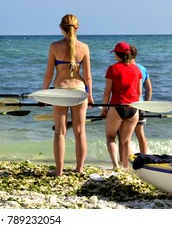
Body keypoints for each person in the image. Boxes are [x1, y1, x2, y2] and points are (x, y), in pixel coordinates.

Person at [42, 14, 93, 176]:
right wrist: (90, 95)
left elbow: (49, 74)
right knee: (80, 132)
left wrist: (43, 93)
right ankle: (79, 169)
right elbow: (89, 76)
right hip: (79, 91)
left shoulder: (54, 46)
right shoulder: (84, 47)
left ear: (61, 28)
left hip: (60, 91)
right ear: (77, 28)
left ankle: (59, 171)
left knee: (60, 132)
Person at [100, 42, 142, 170]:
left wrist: (104, 110)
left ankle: (115, 166)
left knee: (110, 137)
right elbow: (139, 92)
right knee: (126, 140)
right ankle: (126, 167)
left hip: (117, 107)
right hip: (133, 108)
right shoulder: (137, 69)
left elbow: (107, 92)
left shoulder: (113, 69)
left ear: (117, 54)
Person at [130, 45, 152, 154]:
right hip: (141, 104)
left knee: (125, 135)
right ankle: (144, 156)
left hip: (127, 104)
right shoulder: (143, 68)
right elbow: (149, 90)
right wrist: (146, 105)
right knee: (140, 133)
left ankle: (123, 161)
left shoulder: (123, 67)